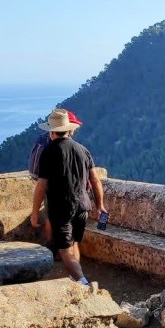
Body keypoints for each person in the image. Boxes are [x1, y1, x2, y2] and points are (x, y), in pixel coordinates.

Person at [30, 108, 105, 285]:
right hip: (83, 206)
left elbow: (41, 186)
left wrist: (34, 212)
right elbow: (95, 180)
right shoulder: (83, 150)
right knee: (73, 245)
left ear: (51, 131)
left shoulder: (49, 152)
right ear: (69, 129)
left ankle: (84, 284)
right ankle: (75, 280)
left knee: (64, 250)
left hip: (61, 207)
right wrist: (100, 205)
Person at [29, 110, 83, 248]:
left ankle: (55, 248)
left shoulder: (44, 141)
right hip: (57, 190)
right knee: (51, 219)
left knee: (52, 219)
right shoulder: (55, 146)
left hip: (55, 190)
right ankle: (56, 248)